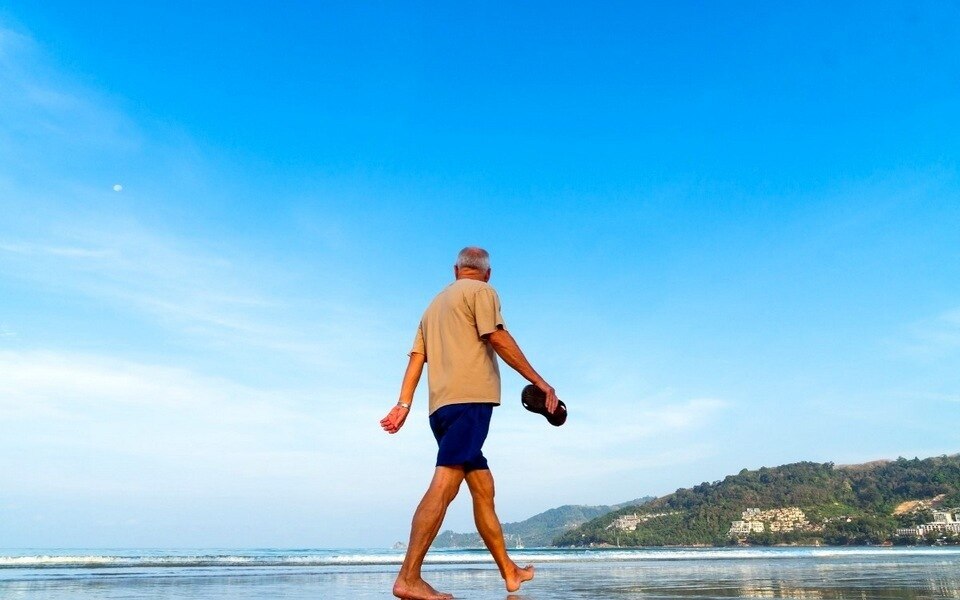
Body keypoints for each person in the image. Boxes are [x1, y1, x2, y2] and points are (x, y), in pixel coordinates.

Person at [380, 247, 560, 600]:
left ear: (456, 269)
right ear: (487, 273)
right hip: (470, 402)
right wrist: (541, 382)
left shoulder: (432, 307)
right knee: (445, 484)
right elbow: (497, 337)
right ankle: (409, 577)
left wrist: (403, 404)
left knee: (482, 487)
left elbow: (417, 359)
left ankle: (509, 572)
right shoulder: (483, 293)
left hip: (440, 410)